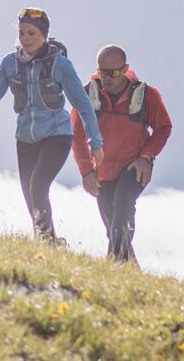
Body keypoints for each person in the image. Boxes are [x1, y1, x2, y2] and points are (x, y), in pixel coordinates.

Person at [0, 8, 103, 241]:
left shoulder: (60, 65)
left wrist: (95, 142)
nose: (25, 39)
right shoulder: (10, 64)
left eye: (32, 33)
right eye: (21, 33)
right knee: (30, 195)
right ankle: (50, 242)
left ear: (44, 35)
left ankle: (47, 243)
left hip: (56, 134)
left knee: (38, 186)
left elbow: (83, 103)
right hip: (25, 138)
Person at [71, 45, 173, 262]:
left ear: (125, 69)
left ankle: (112, 264)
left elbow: (164, 127)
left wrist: (146, 156)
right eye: (102, 71)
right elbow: (76, 133)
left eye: (114, 72)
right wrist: (86, 171)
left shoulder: (146, 96)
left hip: (134, 166)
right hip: (102, 170)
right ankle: (128, 271)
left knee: (123, 206)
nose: (108, 77)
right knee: (112, 228)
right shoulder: (87, 95)